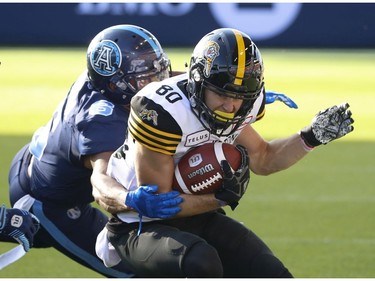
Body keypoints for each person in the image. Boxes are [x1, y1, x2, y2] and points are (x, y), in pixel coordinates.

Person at [95, 27, 354, 277]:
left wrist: (310, 137)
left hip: (199, 215)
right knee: (202, 263)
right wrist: (219, 198)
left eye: (240, 96)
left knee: (269, 271)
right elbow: (160, 205)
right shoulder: (162, 111)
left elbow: (263, 158)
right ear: (198, 81)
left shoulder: (240, 105)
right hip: (138, 224)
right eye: (220, 93)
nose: (230, 106)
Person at [7, 24, 182, 277]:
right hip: (47, 203)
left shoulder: (102, 80)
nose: (156, 82)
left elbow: (165, 80)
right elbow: (102, 180)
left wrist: (208, 86)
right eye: (145, 77)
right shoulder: (101, 120)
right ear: (116, 84)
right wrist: (129, 199)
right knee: (140, 272)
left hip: (33, 164)